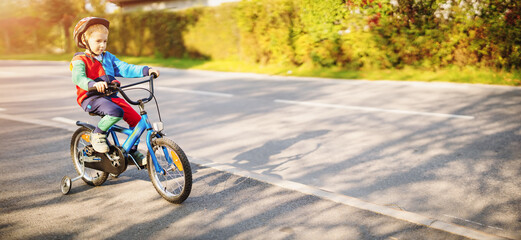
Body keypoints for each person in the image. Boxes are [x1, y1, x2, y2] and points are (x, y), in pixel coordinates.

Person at [70, 17, 159, 163]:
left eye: (105, 41)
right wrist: (92, 84)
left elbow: (125, 68)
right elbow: (78, 78)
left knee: (138, 121)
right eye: (98, 41)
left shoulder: (108, 57)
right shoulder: (80, 60)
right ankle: (98, 135)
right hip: (91, 98)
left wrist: (146, 70)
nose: (102, 45)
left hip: (111, 96)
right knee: (115, 112)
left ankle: (131, 152)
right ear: (84, 40)